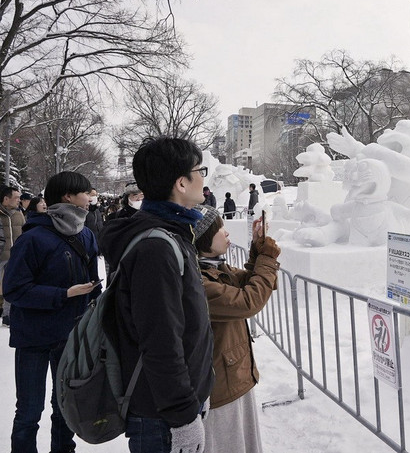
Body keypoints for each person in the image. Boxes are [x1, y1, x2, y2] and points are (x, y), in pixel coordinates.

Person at [100, 136, 214, 453]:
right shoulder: (157, 247)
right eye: (200, 170)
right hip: (162, 417)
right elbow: (160, 341)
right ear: (181, 182)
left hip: (171, 406)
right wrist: (183, 418)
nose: (204, 178)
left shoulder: (172, 234)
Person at [2, 172, 99, 453]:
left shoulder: (87, 235)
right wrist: (63, 295)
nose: (90, 198)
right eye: (85, 193)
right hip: (33, 337)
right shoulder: (33, 238)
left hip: (71, 336)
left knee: (65, 407)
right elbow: (14, 289)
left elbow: (93, 286)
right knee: (29, 411)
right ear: (67, 197)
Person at [193, 205, 279, 453]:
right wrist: (267, 258)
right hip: (220, 387)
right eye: (220, 228)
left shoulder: (214, 268)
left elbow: (248, 282)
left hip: (233, 375)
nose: (227, 233)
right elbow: (248, 301)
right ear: (203, 240)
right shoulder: (199, 280)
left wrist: (257, 251)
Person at [0, 185, 25, 326]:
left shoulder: (18, 214)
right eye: (16, 198)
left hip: (14, 257)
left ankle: (7, 315)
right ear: (6, 199)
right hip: (1, 256)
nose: (19, 201)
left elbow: (24, 233)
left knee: (10, 285)